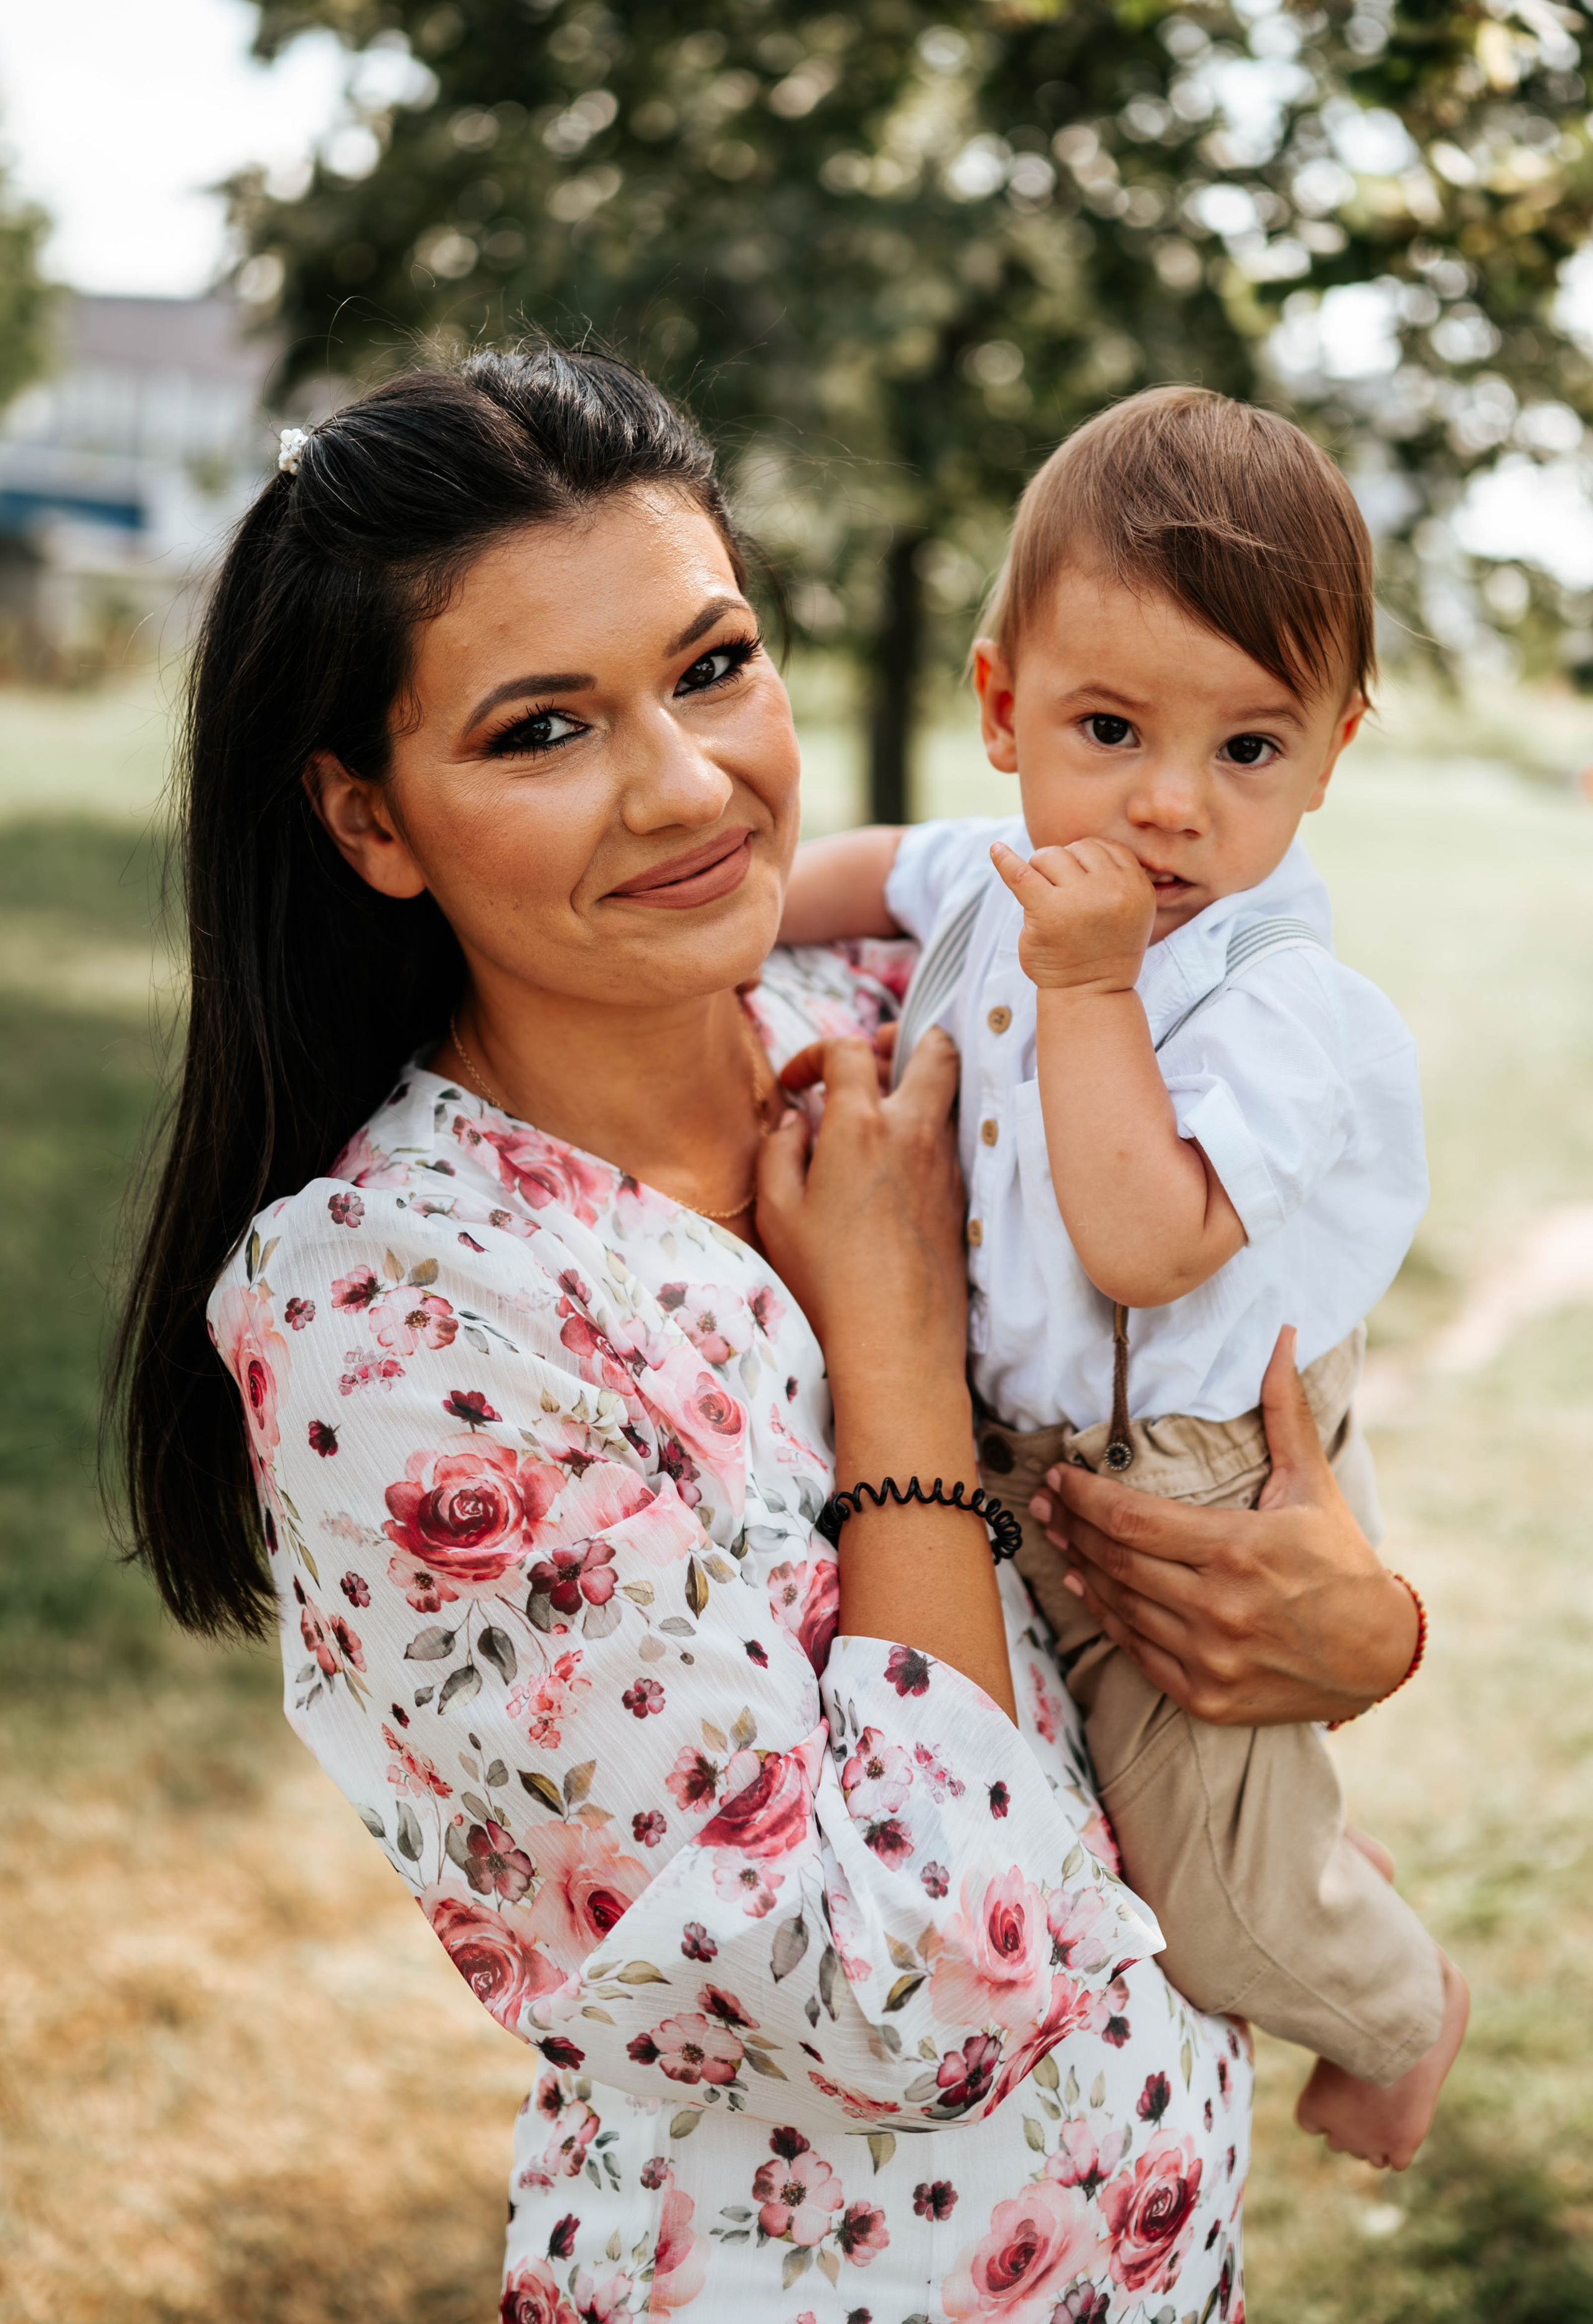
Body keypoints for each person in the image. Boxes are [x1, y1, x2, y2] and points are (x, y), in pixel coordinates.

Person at [110, 347, 1421, 2320]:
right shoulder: (396, 1313)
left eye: (711, 667)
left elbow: (1223, 1380)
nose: (686, 784)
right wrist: (892, 1353)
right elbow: (901, 1994)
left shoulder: (907, 1005)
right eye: (544, 728)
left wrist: (1366, 1631)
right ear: (370, 819)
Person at [780, 387, 1467, 2172]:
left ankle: (1403, 2012)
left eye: (1249, 749)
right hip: (1040, 1447)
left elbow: (1148, 1239)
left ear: (1330, 753)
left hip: (1192, 1472)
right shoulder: (997, 870)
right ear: (1002, 706)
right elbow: (871, 876)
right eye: (1109, 729)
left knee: (1203, 1899)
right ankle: (1295, 1850)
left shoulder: (1276, 1003)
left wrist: (1089, 992)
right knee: (1130, 1812)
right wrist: (735, 927)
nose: (1170, 807)